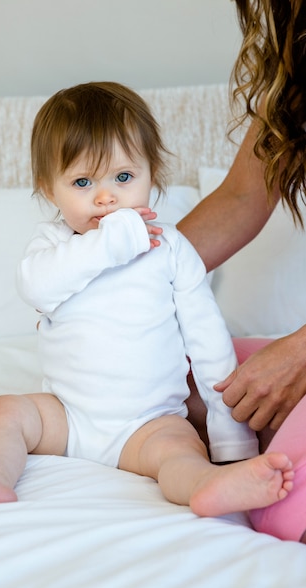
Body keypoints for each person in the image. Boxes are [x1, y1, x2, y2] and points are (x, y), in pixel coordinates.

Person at [0, 81, 294, 520]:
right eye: (82, 182)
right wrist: (109, 245)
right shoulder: (53, 246)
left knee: (180, 452)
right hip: (68, 417)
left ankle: (207, 485)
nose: (105, 197)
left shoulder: (170, 250)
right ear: (48, 188)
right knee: (1, 411)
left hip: (149, 421)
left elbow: (210, 347)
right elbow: (36, 287)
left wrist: (233, 443)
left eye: (124, 177)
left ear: (153, 174)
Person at [177, 0, 306, 542]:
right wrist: (118, 291)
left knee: (281, 506)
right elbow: (240, 196)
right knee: (173, 381)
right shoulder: (295, 68)